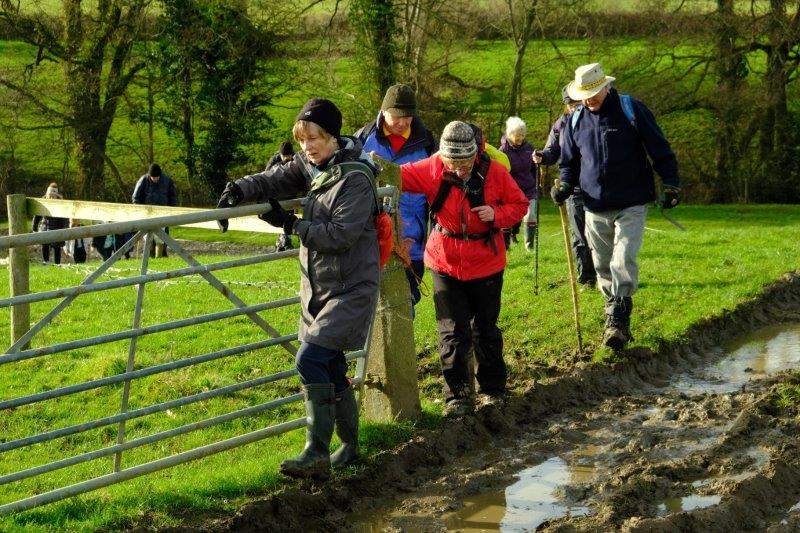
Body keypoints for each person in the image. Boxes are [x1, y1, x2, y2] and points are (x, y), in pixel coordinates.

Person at [216, 98, 380, 480]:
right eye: (303, 139)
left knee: (309, 360)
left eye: (316, 138)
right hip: (320, 287)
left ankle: (316, 452)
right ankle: (351, 447)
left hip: (351, 287)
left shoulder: (355, 179)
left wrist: (290, 225)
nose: (308, 146)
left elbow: (340, 235)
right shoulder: (313, 166)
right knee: (331, 365)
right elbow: (274, 179)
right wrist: (239, 189)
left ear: (334, 138)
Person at [400, 121, 528, 417]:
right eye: (451, 162)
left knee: (485, 329)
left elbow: (519, 204)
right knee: (452, 331)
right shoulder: (431, 167)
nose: (458, 168)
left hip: (486, 261)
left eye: (464, 162)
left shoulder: (495, 172)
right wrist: (363, 163)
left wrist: (496, 214)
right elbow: (397, 175)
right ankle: (457, 396)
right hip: (444, 261)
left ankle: (493, 390)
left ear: (476, 154)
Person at [551, 63, 680, 350]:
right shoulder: (575, 121)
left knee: (622, 259)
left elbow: (659, 147)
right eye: (584, 95)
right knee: (602, 264)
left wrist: (671, 184)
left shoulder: (631, 110)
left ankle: (618, 321)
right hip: (594, 204)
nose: (589, 99)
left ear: (606, 87)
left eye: (594, 92)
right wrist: (562, 185)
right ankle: (614, 314)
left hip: (631, 201)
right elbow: (568, 163)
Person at [355, 83, 437, 309]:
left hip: (414, 240)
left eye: (407, 117)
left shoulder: (427, 141)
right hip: (374, 236)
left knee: (408, 302)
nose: (402, 123)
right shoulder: (363, 138)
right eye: (396, 117)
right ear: (383, 112)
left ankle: (403, 343)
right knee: (374, 305)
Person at [534, 86, 597, 286]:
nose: (573, 107)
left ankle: (605, 273)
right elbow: (551, 151)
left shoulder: (595, 120)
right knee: (579, 235)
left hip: (598, 186)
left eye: (576, 102)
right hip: (573, 187)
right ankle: (586, 277)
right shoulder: (560, 125)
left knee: (600, 234)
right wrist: (542, 157)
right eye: (570, 104)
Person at [499, 117, 539, 250]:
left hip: (528, 188)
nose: (520, 138)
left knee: (531, 214)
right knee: (509, 217)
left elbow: (534, 168)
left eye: (522, 135)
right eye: (517, 135)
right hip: (511, 190)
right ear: (510, 135)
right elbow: (500, 173)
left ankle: (529, 247)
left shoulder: (529, 148)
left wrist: (535, 181)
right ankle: (506, 245)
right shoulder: (503, 151)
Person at [132, 163, 177, 257]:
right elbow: (136, 197)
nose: (155, 179)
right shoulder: (143, 180)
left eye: (157, 177)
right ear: (149, 175)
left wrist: (172, 210)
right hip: (146, 214)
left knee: (161, 238)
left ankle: (159, 256)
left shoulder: (167, 181)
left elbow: (172, 197)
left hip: (162, 213)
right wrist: (140, 211)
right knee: (148, 236)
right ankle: (149, 256)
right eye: (153, 177)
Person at [265, 141, 297, 252]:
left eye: (288, 156)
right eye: (284, 156)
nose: (286, 158)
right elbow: (266, 176)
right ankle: (283, 240)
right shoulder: (274, 160)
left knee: (289, 216)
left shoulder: (296, 158)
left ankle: (285, 239)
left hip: (290, 193)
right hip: (278, 193)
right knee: (280, 216)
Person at [31, 183, 68, 264]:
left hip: (57, 227)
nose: (51, 197)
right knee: (45, 244)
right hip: (45, 226)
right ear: (47, 195)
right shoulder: (43, 203)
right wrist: (34, 227)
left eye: (53, 196)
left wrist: (66, 228)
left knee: (57, 246)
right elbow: (37, 216)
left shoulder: (61, 205)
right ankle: (46, 261)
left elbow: (65, 218)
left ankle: (57, 264)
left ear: (57, 196)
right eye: (50, 195)